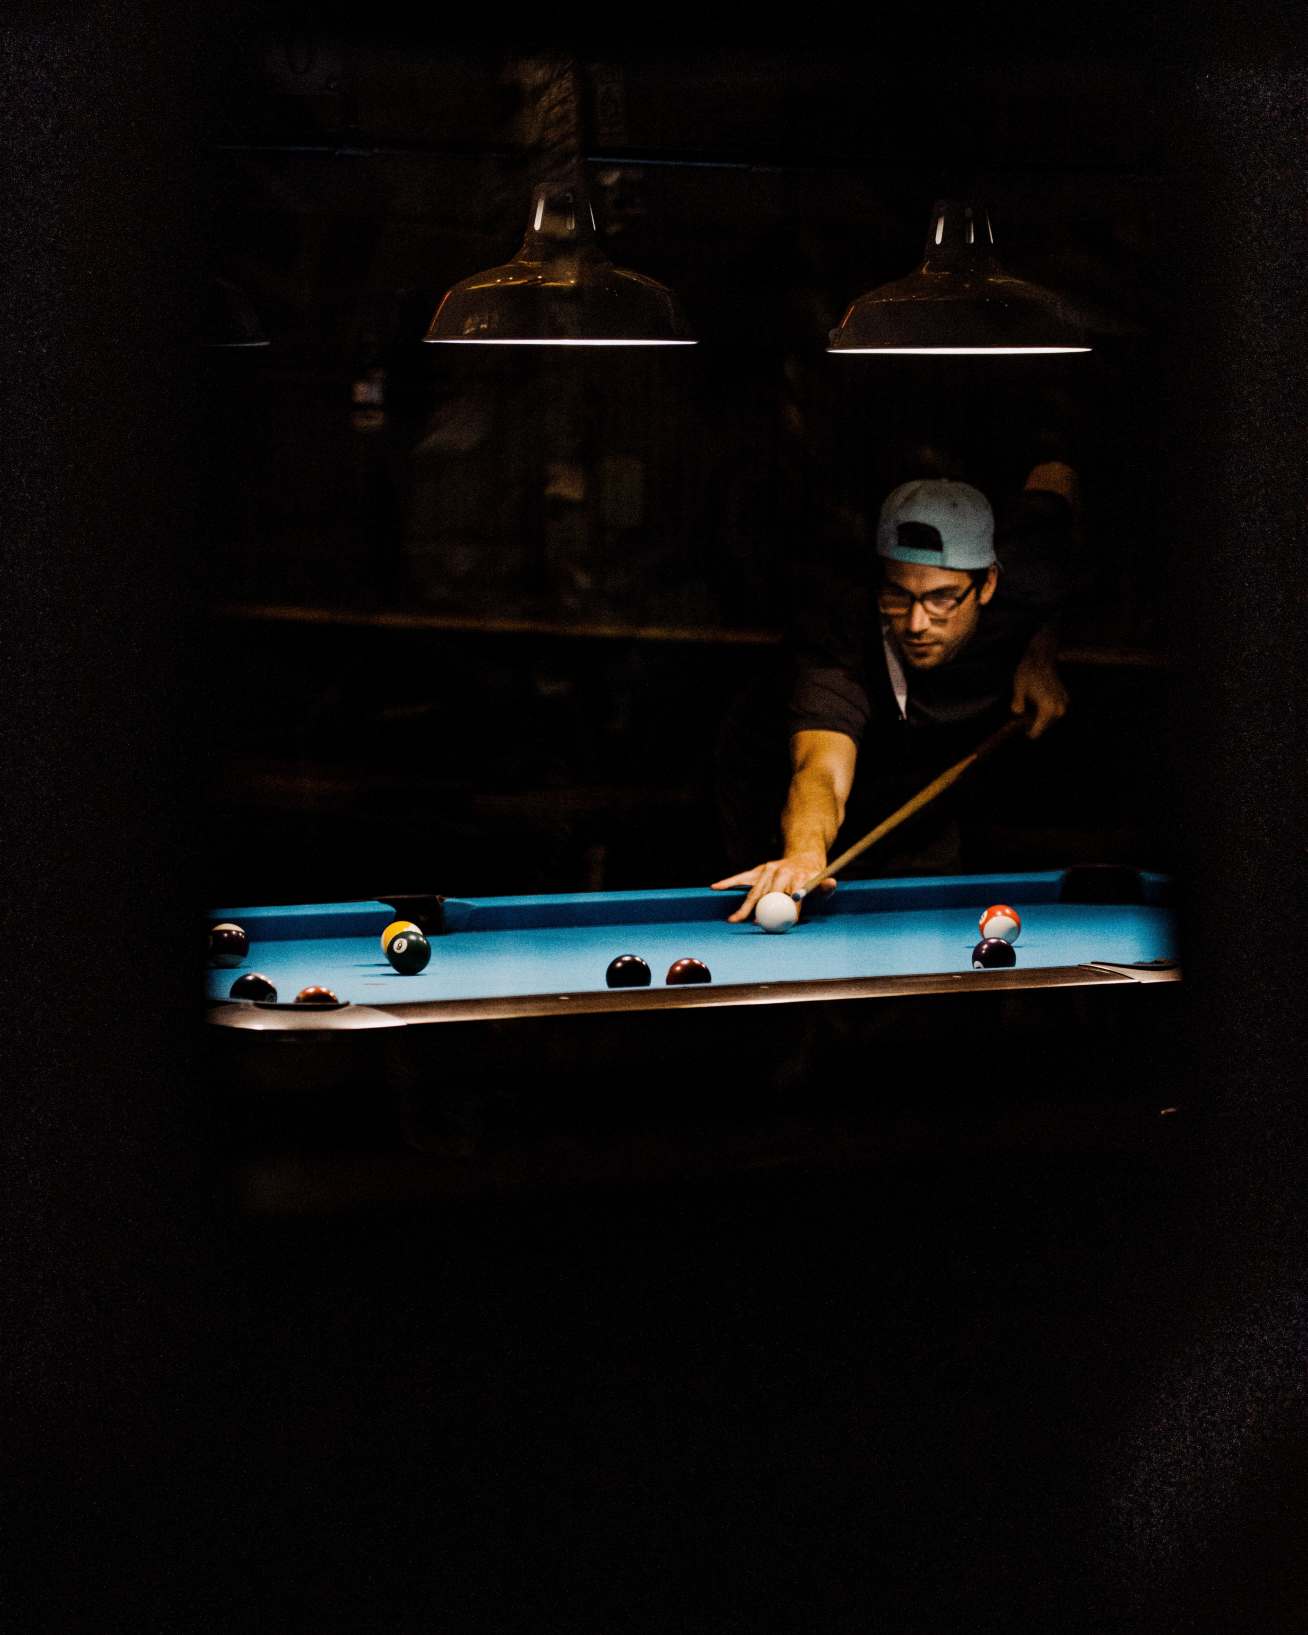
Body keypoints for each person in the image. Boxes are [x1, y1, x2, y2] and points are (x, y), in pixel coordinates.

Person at [711, 462, 1086, 923]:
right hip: (774, 787)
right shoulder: (839, 637)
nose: (915, 622)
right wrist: (804, 853)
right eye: (897, 594)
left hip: (920, 784)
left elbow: (1056, 478)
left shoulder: (1025, 576)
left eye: (942, 598)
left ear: (987, 583)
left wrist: (1040, 653)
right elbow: (821, 770)